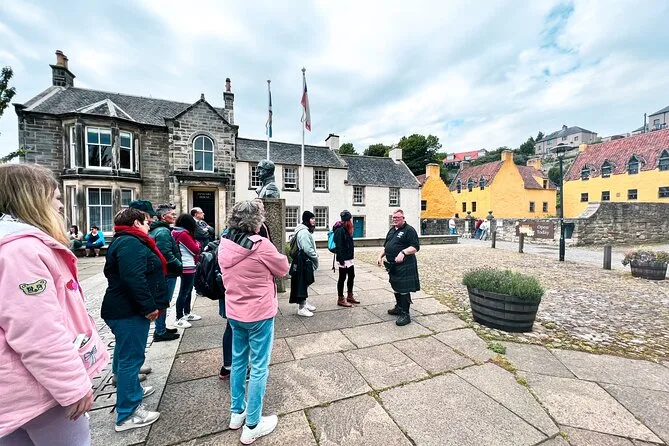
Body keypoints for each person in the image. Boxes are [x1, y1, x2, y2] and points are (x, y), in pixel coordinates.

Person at [0, 163, 109, 445]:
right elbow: (38, 332)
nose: (61, 206)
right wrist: (71, 386)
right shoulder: (21, 250)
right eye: (57, 198)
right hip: (35, 391)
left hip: (18, 389)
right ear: (33, 198)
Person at [218, 200, 289, 444]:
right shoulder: (261, 245)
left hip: (235, 312)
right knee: (259, 367)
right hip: (259, 313)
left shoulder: (224, 242)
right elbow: (283, 268)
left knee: (238, 362)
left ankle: (237, 412)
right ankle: (253, 424)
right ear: (257, 221)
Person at [102, 207, 167, 432]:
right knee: (131, 358)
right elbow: (133, 277)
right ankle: (128, 412)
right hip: (128, 310)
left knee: (124, 353)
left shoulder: (125, 240)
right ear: (137, 223)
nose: (149, 225)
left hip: (122, 308)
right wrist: (148, 307)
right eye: (146, 221)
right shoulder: (130, 243)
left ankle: (128, 388)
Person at [376, 209, 420, 326]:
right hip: (393, 264)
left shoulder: (409, 230)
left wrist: (403, 252)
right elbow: (386, 246)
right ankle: (399, 307)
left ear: (403, 218)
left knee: (403, 288)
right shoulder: (392, 230)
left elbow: (415, 247)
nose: (395, 219)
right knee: (395, 286)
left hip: (405, 264)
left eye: (397, 218)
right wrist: (380, 256)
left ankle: (405, 314)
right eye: (393, 218)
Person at [147, 203, 182, 342]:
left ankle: (161, 328)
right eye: (171, 214)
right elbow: (165, 253)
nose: (174, 216)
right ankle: (160, 332)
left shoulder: (159, 230)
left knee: (163, 301)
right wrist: (179, 265)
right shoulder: (163, 231)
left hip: (164, 272)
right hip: (167, 272)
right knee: (163, 301)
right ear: (163, 216)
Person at [172, 213, 202, 328]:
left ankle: (187, 312)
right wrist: (198, 244)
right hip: (187, 265)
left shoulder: (175, 231)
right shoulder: (183, 234)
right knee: (184, 291)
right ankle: (179, 317)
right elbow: (195, 249)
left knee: (188, 290)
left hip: (184, 264)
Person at [289, 211, 319, 317]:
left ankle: (304, 303)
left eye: (314, 218)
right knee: (303, 283)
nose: (314, 220)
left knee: (304, 282)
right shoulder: (304, 232)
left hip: (303, 260)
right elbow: (307, 249)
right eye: (312, 218)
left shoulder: (303, 230)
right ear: (307, 220)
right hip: (303, 261)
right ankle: (301, 308)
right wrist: (315, 257)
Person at [333, 210, 360, 307]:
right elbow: (339, 245)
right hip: (343, 258)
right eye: (350, 220)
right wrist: (341, 260)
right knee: (342, 278)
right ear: (347, 220)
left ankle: (350, 296)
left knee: (351, 275)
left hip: (348, 257)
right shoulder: (340, 230)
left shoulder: (346, 228)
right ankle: (340, 298)